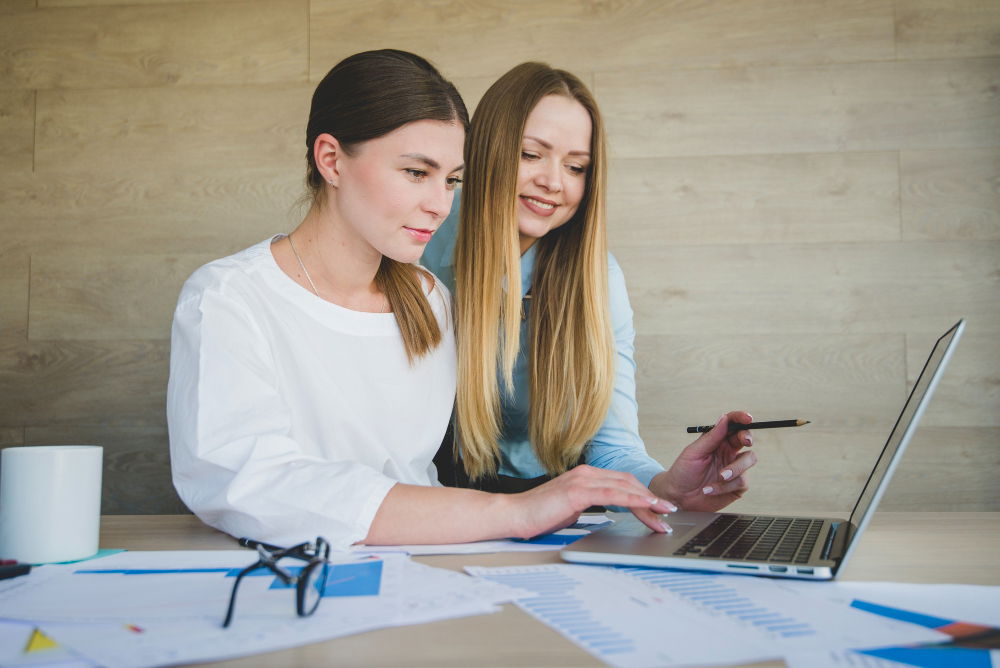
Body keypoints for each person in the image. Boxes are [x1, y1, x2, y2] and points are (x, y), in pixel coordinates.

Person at [167, 49, 683, 551]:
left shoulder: (429, 300)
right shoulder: (226, 297)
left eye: (452, 180)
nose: (439, 206)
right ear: (331, 160)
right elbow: (246, 483)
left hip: (426, 559)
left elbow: (416, 475)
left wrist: (661, 486)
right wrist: (513, 512)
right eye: (417, 173)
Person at [422, 62, 756, 513]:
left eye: (577, 166)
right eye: (530, 154)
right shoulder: (422, 233)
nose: (554, 182)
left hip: (558, 503)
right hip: (432, 495)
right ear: (486, 149)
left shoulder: (599, 278)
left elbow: (613, 447)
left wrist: (666, 486)